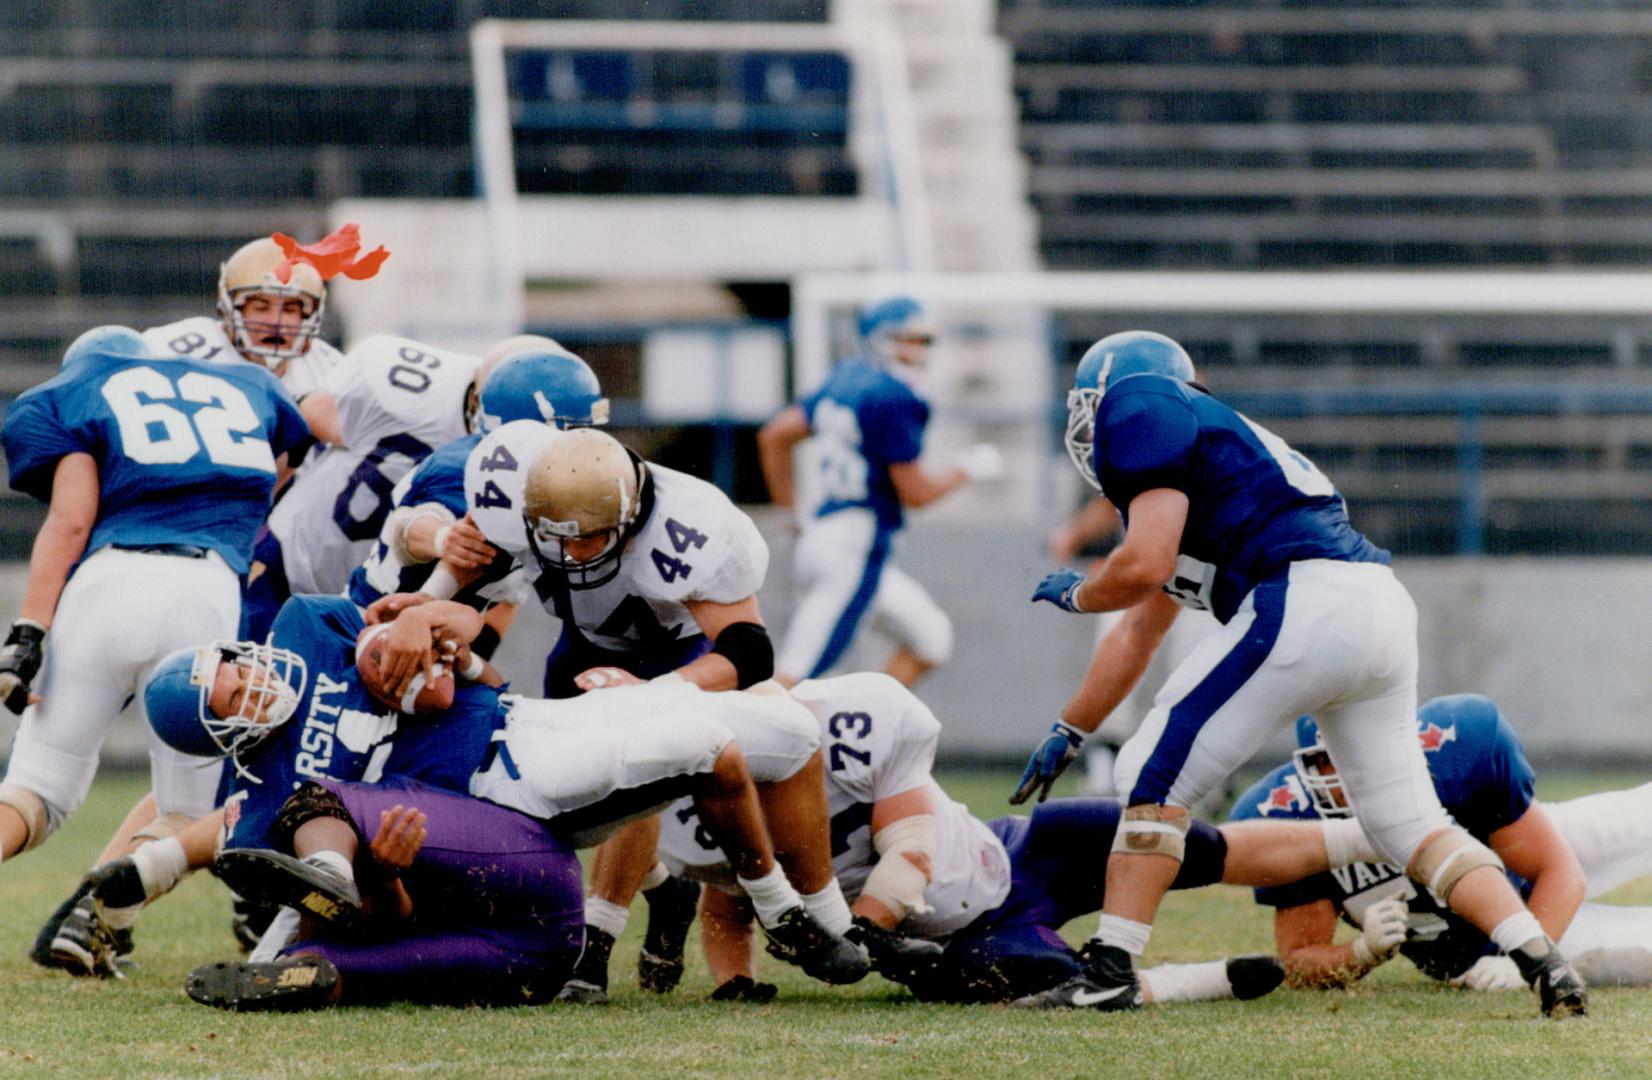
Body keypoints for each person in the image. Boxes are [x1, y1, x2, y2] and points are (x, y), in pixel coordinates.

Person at [1015, 329, 1587, 1018]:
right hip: (1373, 608)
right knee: (1407, 823)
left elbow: (1140, 569)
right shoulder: (1212, 467)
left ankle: (1109, 969)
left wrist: (1077, 593)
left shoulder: (1139, 404)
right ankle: (1541, 958)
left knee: (1148, 774)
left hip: (1306, 602)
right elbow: (1142, 624)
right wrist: (1071, 725)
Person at [77, 593, 868, 987]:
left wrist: (424, 620)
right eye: (228, 696)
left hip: (525, 717)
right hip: (502, 790)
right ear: (223, 736)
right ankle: (782, 911)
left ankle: (804, 911)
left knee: (792, 732)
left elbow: (451, 647)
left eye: (235, 663)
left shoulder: (307, 627)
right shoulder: (266, 788)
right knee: (710, 747)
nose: (249, 680)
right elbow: (254, 845)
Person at [655, 671, 1379, 1004]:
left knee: (1189, 842)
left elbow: (910, 849)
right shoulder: (703, 816)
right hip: (955, 942)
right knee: (1061, 987)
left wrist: (863, 937)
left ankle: (1378, 837)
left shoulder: (851, 720)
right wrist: (736, 984)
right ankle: (1204, 982)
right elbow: (729, 904)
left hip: (1014, 847)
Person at [0, 326, 308, 918]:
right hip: (206, 591)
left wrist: (28, 631)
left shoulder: (79, 393)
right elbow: (281, 465)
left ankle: (89, 923)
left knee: (35, 789)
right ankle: (100, 921)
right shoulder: (249, 386)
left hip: (105, 584)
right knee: (185, 810)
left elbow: (70, 521)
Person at [1232, 696, 1652, 991]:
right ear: (1305, 762)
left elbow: (1560, 871)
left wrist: (1521, 959)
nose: (1347, 771)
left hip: (1536, 861)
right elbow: (1302, 959)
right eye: (1329, 757)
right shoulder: (1283, 816)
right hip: (1481, 949)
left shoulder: (1454, 748)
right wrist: (1361, 952)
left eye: (1357, 750)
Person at [757, 296, 1001, 688]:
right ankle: (743, 747)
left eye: (923, 342)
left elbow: (774, 436)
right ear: (876, 339)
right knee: (794, 681)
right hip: (854, 547)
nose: (916, 351)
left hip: (824, 536)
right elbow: (916, 494)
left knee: (930, 638)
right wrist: (966, 469)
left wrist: (791, 512)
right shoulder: (895, 396)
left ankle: (869, 742)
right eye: (905, 339)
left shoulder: (847, 376)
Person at [184, 779, 586, 1011]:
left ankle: (329, 874)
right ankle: (304, 963)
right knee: (326, 968)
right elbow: (396, 917)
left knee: (316, 800)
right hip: (541, 960)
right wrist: (385, 875)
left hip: (531, 879)